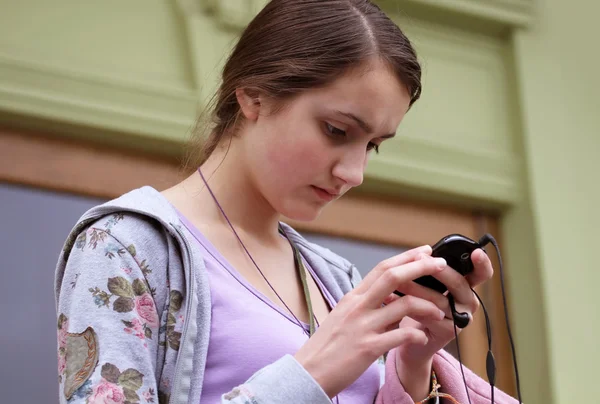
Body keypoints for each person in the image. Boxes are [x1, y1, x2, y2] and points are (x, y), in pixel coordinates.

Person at [54, 1, 519, 403]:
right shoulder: (126, 247)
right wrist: (313, 371)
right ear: (254, 95)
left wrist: (413, 364)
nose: (354, 173)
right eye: (337, 131)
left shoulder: (336, 279)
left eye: (373, 145)